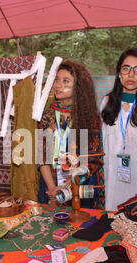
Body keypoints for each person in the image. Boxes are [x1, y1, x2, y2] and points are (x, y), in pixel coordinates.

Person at [37, 60, 102, 208]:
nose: (58, 85)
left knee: (80, 228)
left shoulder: (89, 118)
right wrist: (53, 189)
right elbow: (41, 157)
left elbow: (90, 161)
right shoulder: (46, 116)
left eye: (65, 81)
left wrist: (65, 189)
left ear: (79, 87)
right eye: (57, 80)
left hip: (79, 187)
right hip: (49, 187)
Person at [100, 48, 137, 212]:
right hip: (110, 178)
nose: (131, 74)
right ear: (119, 73)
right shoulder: (106, 102)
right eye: (126, 68)